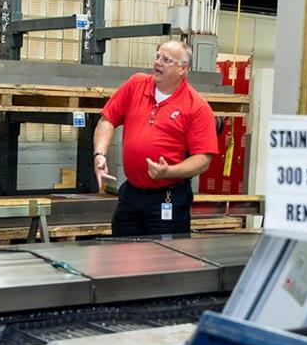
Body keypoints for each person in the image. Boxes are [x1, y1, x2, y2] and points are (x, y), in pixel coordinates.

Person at [93, 40, 218, 236]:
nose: (158, 62)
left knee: (165, 261)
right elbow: (107, 119)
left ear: (182, 68)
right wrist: (99, 154)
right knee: (120, 256)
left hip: (168, 199)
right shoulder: (136, 85)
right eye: (157, 56)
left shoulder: (197, 107)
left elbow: (203, 160)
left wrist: (169, 171)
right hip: (131, 196)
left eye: (166, 60)